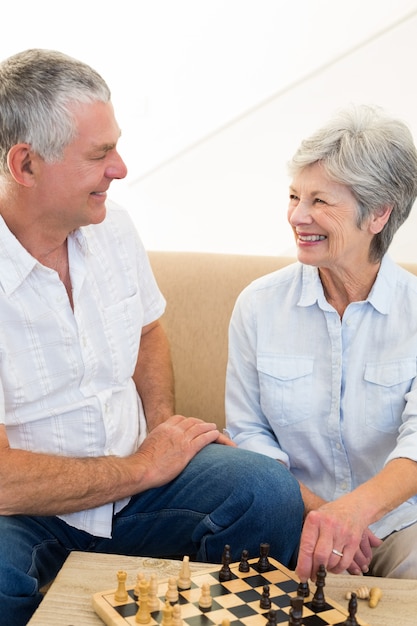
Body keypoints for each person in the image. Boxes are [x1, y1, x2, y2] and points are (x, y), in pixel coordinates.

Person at [0, 49, 304, 625]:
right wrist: (143, 465)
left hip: (139, 493)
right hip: (25, 513)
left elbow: (147, 331)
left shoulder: (112, 226)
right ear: (25, 164)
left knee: (266, 493)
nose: (120, 167)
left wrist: (162, 424)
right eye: (99, 154)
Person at [225, 104, 417, 582]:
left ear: (378, 214)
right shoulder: (258, 305)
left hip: (399, 525)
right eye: (294, 196)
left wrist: (354, 515)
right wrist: (326, 517)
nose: (297, 215)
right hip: (295, 519)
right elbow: (249, 435)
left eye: (320, 202)